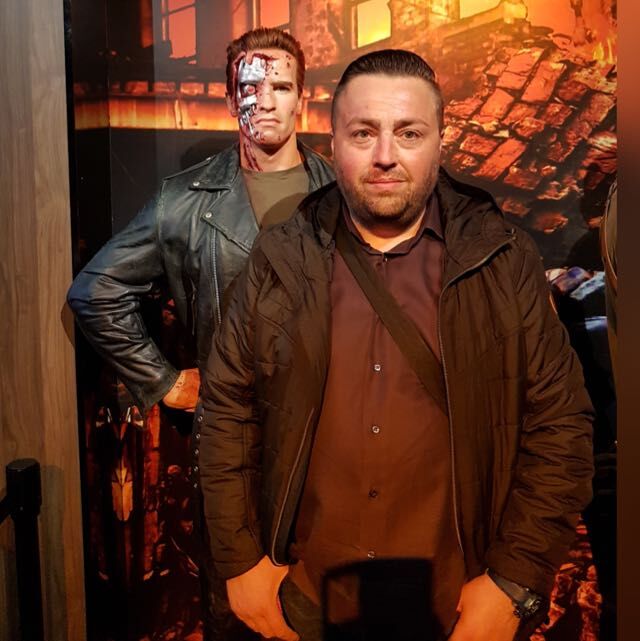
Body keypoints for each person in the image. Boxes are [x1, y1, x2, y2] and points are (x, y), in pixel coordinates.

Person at [199, 49, 594, 641]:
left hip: (455, 608)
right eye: (364, 133)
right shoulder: (280, 258)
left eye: (408, 133)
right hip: (305, 602)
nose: (385, 155)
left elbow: (560, 425)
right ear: (334, 141)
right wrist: (239, 562)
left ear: (440, 140)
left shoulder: (501, 260)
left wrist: (514, 582)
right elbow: (227, 410)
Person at [67, 27, 334, 641]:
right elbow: (96, 289)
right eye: (251, 86)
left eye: (281, 86)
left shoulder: (341, 191)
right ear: (230, 97)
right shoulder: (184, 201)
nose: (265, 100)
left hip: (332, 443)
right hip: (234, 452)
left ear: (302, 97)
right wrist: (164, 381)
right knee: (240, 616)